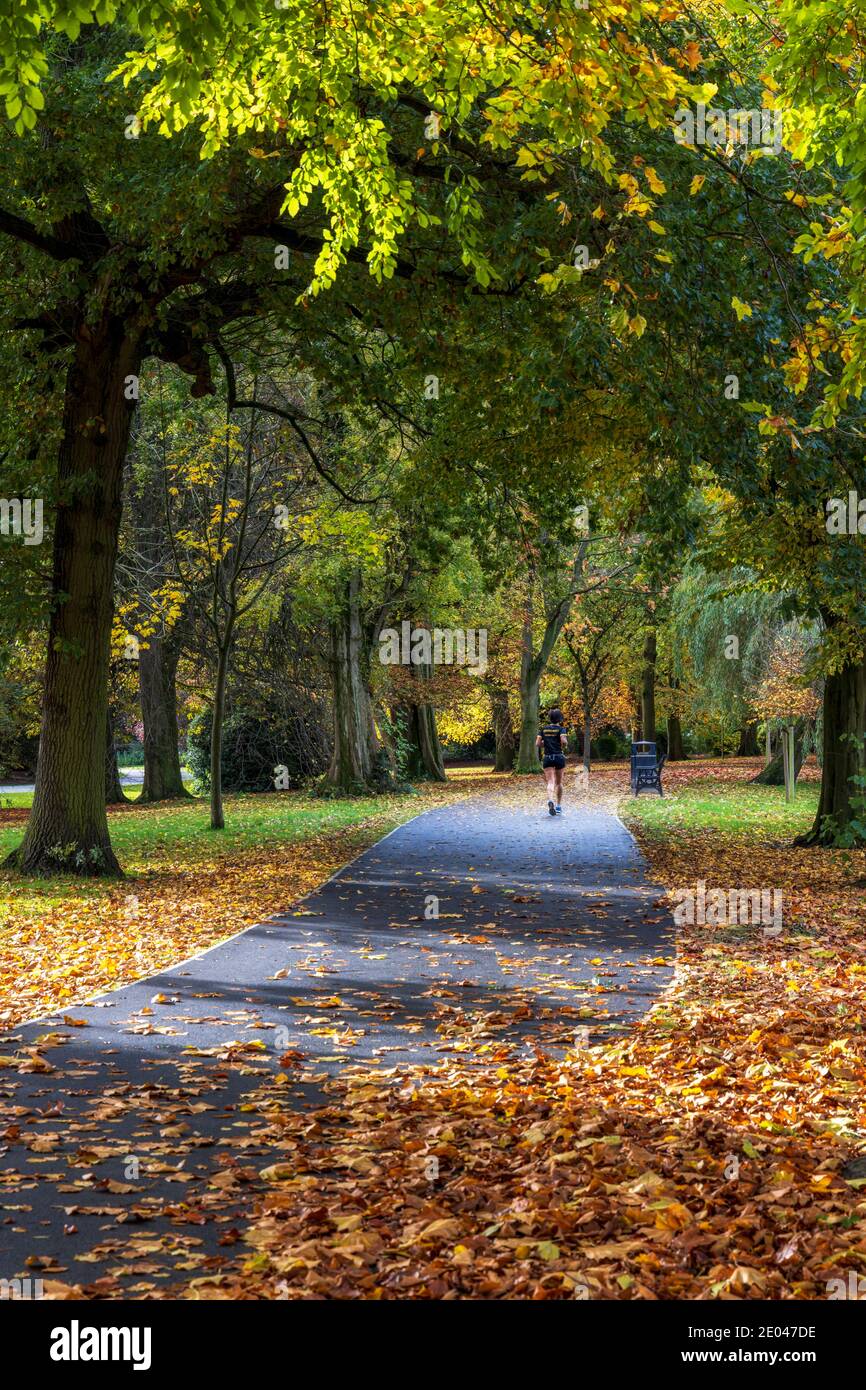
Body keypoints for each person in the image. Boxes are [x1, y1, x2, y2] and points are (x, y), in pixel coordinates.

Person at [536, 707, 567, 816]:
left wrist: (547, 743)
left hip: (548, 757)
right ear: (559, 719)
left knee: (550, 782)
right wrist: (564, 743)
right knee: (559, 783)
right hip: (559, 757)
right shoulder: (561, 729)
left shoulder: (543, 729)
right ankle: (558, 806)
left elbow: (538, 744)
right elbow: (563, 741)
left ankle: (550, 800)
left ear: (550, 718)